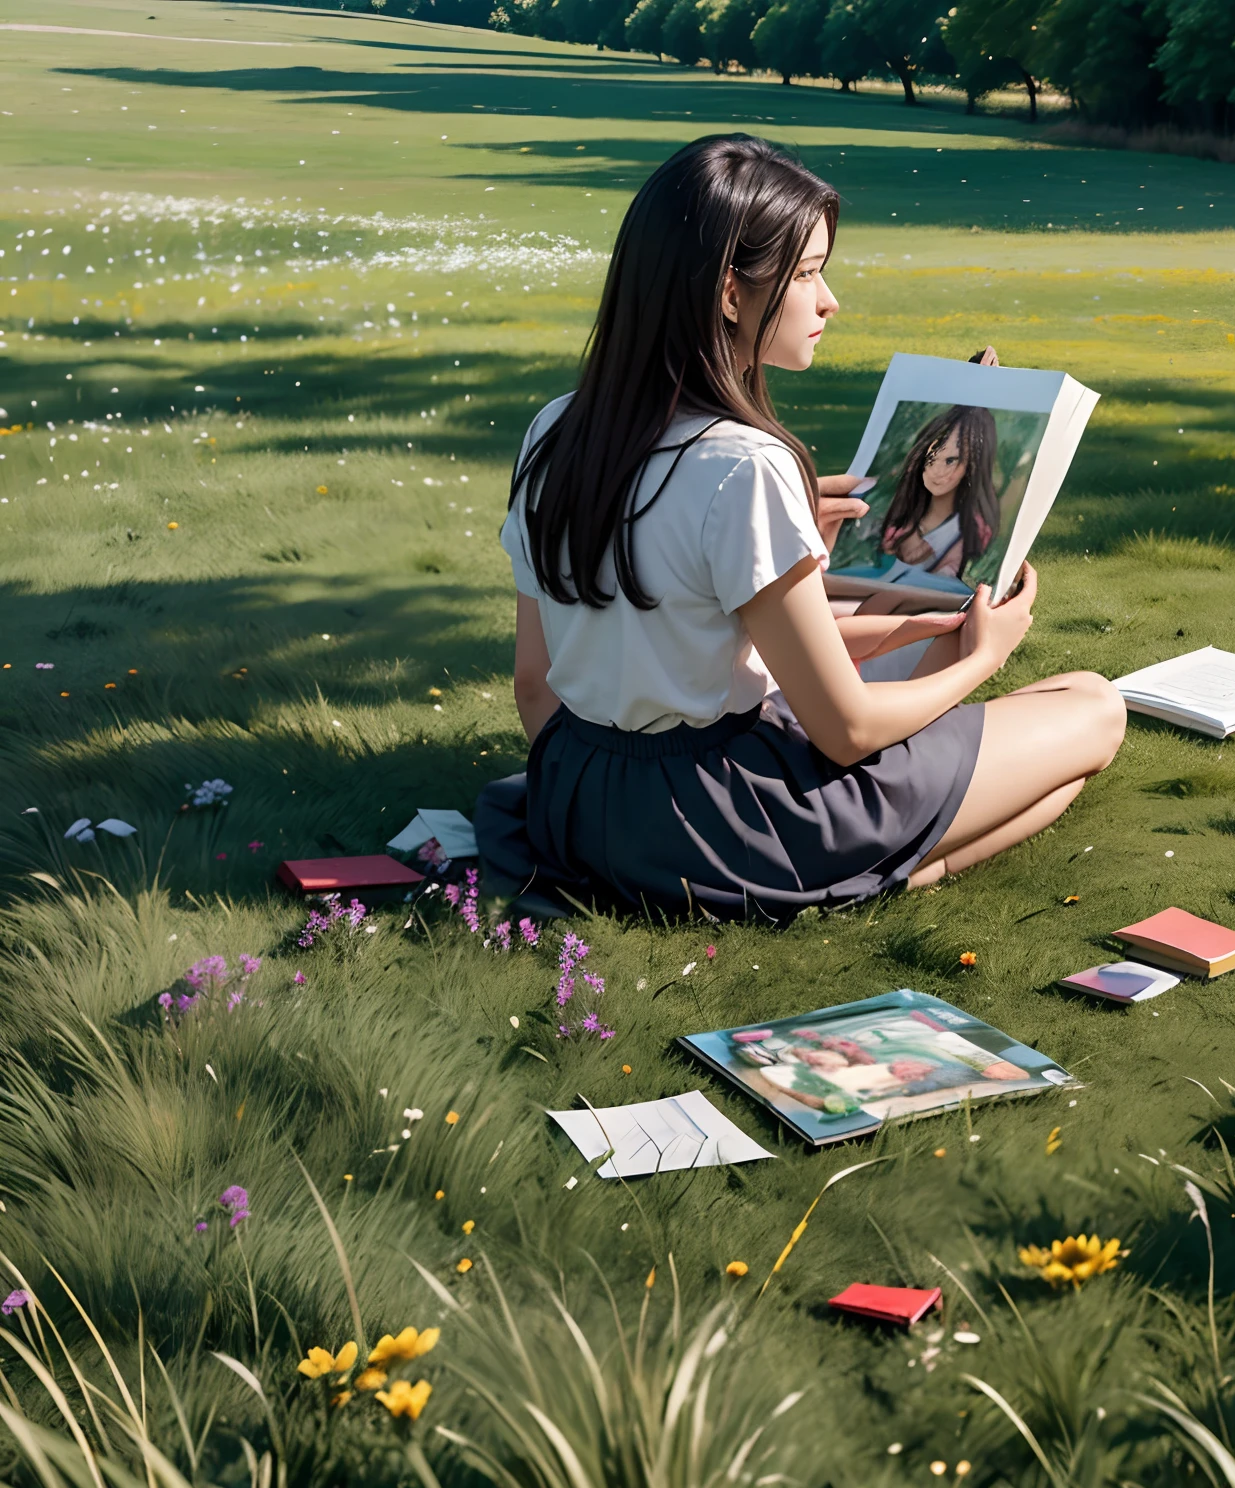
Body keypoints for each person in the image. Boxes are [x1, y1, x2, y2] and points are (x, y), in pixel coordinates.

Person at [475, 135, 1126, 921]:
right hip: (726, 818)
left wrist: (595, 794)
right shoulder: (744, 465)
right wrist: (985, 660)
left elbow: (535, 687)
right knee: (1093, 706)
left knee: (925, 636)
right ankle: (846, 883)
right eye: (810, 273)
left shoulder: (556, 428)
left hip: (577, 802)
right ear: (726, 292)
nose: (830, 300)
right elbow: (846, 729)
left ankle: (852, 872)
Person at [877, 405, 1000, 580]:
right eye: (932, 457)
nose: (936, 470)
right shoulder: (901, 522)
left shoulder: (972, 531)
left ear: (973, 467)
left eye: (951, 460)